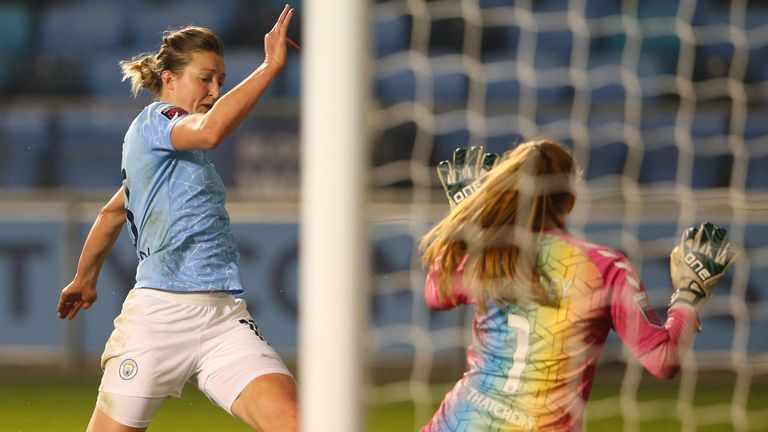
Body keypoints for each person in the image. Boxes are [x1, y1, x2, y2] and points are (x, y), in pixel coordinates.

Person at [56, 6, 299, 432]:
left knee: (297, 423)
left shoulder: (177, 159)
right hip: (160, 318)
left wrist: (85, 277)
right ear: (169, 78)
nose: (214, 88)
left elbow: (113, 211)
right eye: (204, 78)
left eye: (220, 80)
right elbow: (210, 130)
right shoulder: (157, 122)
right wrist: (269, 66)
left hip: (223, 317)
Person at [419, 140, 738, 431]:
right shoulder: (605, 267)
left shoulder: (495, 253)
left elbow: (436, 294)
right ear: (569, 201)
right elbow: (662, 361)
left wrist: (470, 222)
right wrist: (689, 293)